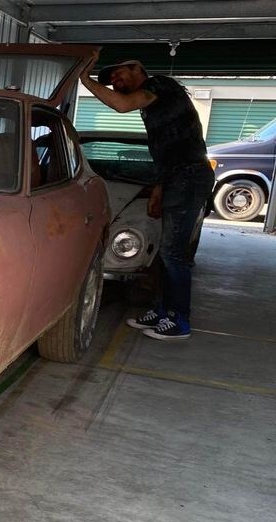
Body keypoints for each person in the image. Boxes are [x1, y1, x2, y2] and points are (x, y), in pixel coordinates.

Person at [80, 55, 215, 340]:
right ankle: (162, 310)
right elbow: (166, 151)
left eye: (118, 75)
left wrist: (84, 79)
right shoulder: (153, 103)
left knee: (173, 253)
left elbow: (121, 105)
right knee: (167, 252)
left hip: (190, 175)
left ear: (137, 69)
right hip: (175, 176)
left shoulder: (160, 85)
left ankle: (180, 321)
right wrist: (158, 186)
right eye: (112, 80)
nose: (115, 82)